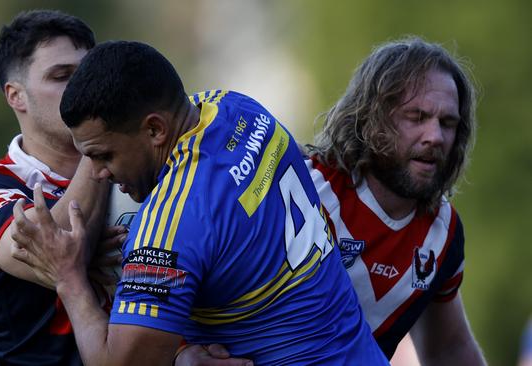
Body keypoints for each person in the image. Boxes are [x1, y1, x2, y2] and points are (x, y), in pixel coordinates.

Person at [10, 40, 389, 365]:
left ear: (155, 129)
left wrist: (69, 277)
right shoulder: (236, 108)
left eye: (103, 155)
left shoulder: (170, 224)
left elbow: (119, 362)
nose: (96, 174)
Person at [179, 37, 488, 365]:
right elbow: (183, 270)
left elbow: (449, 348)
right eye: (417, 117)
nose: (436, 136)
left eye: (448, 123)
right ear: (374, 118)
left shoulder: (443, 232)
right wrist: (180, 353)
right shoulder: (299, 185)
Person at [0, 10, 123, 365]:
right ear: (16, 96)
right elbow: (48, 252)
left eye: (88, 74)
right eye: (62, 76)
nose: (83, 88)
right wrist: (99, 142)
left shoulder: (135, 161)